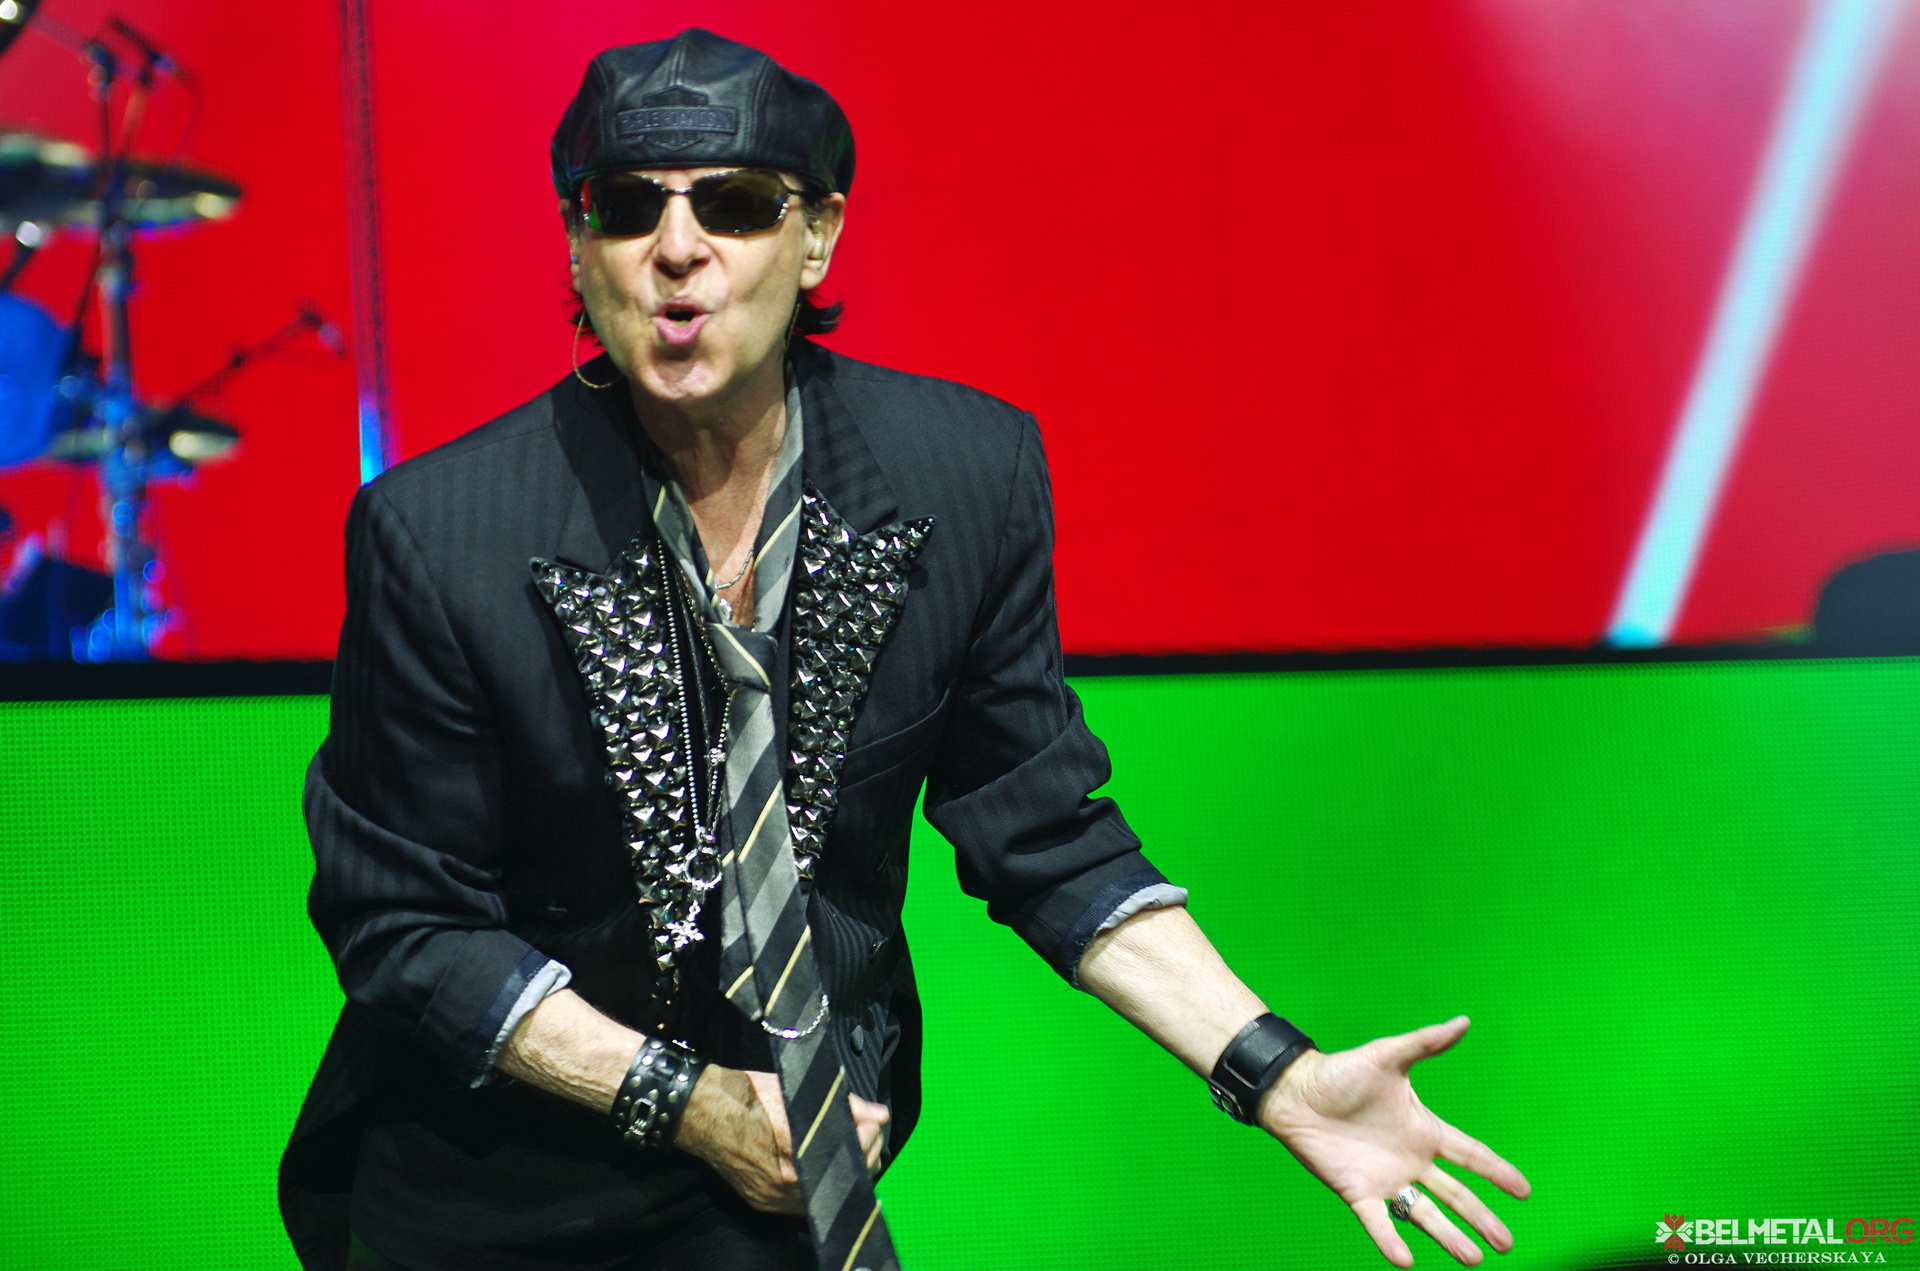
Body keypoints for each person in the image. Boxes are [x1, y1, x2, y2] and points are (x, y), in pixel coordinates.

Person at [281, 28, 1530, 1271]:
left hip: (786, 1176)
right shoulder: (438, 533)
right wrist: (687, 1099)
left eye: (735, 205)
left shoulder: (964, 474)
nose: (677, 248)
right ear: (576, 242)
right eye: (628, 207)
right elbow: (406, 921)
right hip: (486, 1189)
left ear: (818, 235)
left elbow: (1043, 831)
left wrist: (1277, 1070)